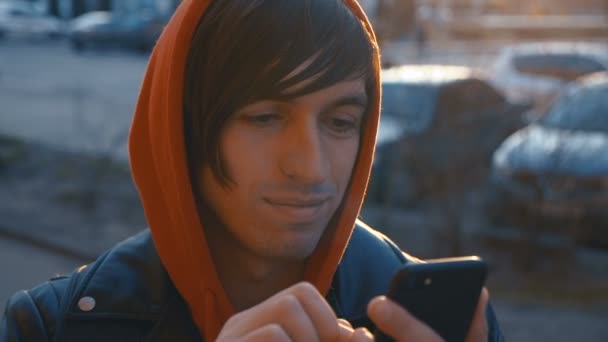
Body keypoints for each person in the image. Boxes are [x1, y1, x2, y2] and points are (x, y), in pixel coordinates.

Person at [1, 0, 503, 341]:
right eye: (265, 117)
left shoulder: (436, 322)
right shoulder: (51, 326)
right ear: (186, 131)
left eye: (340, 121)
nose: (311, 167)